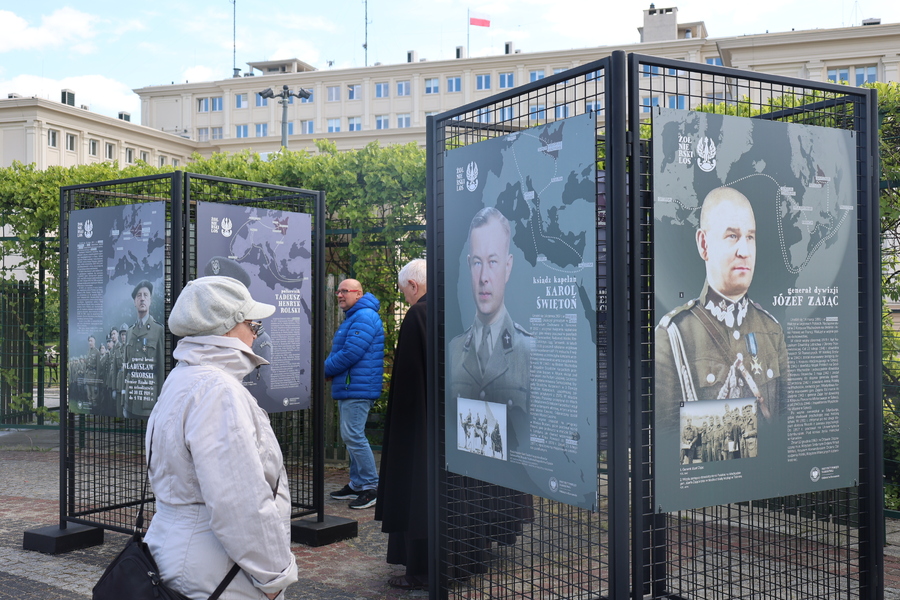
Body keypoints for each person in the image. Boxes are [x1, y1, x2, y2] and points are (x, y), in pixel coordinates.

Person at [145, 276, 298, 600]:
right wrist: (273, 578)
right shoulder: (218, 392)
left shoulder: (183, 378)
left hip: (184, 553)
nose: (256, 335)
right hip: (221, 570)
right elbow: (239, 502)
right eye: (253, 325)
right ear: (227, 328)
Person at [655, 187, 788, 435]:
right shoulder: (673, 336)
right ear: (704, 244)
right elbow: (667, 443)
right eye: (732, 236)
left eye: (750, 237)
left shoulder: (772, 331)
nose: (745, 251)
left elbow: (785, 427)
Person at [448, 206, 533, 452]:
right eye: (477, 262)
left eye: (493, 262)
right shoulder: (454, 349)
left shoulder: (530, 351)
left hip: (513, 482)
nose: (484, 276)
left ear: (508, 267)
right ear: (468, 265)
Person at [375, 258, 429, 590]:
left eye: (404, 292)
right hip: (452, 428)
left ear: (413, 285)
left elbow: (409, 386)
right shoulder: (455, 308)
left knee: (417, 496)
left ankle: (421, 570)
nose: (406, 299)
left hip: (419, 428)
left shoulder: (418, 315)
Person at [325, 278, 385, 509]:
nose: (340, 295)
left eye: (345, 291)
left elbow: (351, 353)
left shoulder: (364, 316)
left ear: (358, 294)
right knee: (351, 436)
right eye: (338, 291)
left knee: (353, 436)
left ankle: (371, 486)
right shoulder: (356, 317)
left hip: (357, 389)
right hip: (351, 386)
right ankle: (357, 485)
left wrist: (325, 370)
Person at [124, 280, 165, 418]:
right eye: (139, 295)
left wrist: (161, 399)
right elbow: (126, 367)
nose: (142, 298)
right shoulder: (130, 331)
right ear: (134, 302)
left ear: (150, 300)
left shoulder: (158, 330)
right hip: (130, 398)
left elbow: (161, 368)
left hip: (148, 399)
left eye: (146, 295)